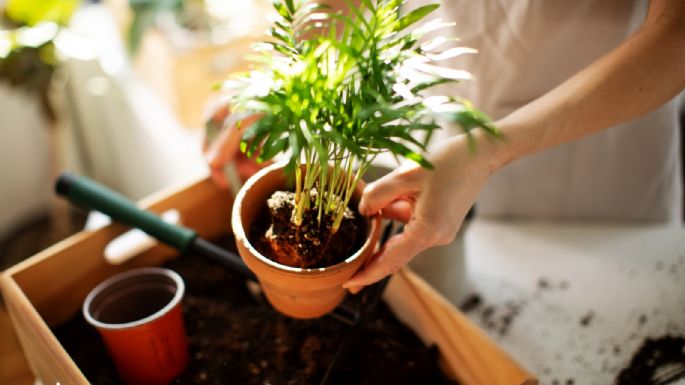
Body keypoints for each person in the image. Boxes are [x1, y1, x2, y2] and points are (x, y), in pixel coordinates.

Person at [204, 0, 685, 294]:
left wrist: (491, 149)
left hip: (607, 128)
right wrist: (288, 85)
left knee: (617, 290)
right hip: (454, 113)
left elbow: (675, 33)